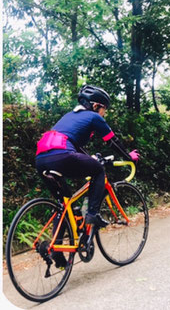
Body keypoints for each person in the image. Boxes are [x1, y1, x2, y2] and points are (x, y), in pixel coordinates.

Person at [35, 85, 139, 267]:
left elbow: (70, 142)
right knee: (98, 170)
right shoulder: (93, 117)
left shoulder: (69, 117)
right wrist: (129, 156)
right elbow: (112, 141)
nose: (104, 114)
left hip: (42, 158)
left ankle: (57, 253)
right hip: (63, 155)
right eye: (104, 110)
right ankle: (92, 214)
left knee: (64, 203)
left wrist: (86, 157)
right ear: (96, 105)